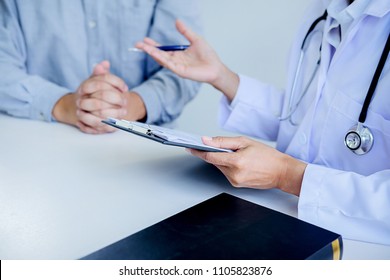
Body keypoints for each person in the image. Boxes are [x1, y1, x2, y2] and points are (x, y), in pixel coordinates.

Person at [136, 0, 390, 245]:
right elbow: (309, 116)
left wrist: (287, 174)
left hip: (365, 246)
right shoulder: (325, 8)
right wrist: (223, 78)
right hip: (287, 216)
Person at [0, 0, 202, 134]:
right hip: (41, 138)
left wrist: (128, 106)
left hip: (146, 146)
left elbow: (187, 68)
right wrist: (63, 104)